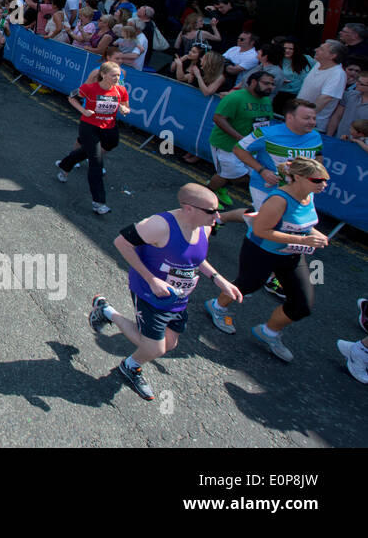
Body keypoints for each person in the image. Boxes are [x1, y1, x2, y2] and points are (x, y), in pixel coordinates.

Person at [90, 183, 240, 401]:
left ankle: (125, 356)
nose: (217, 216)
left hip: (178, 298)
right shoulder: (159, 226)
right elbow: (121, 243)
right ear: (189, 208)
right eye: (211, 211)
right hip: (151, 294)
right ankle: (109, 317)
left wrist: (219, 279)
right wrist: (151, 280)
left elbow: (195, 259)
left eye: (217, 210)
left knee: (170, 343)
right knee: (154, 348)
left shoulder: (204, 227)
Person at [204, 158, 331, 363]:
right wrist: (304, 239)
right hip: (261, 251)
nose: (323, 185)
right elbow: (261, 230)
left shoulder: (309, 196)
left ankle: (269, 333)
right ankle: (217, 306)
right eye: (317, 180)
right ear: (298, 177)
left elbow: (303, 225)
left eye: (325, 180)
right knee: (247, 286)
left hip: (291, 255)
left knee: (302, 305)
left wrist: (316, 235)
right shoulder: (279, 200)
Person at [55, 61, 130, 216]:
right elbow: (71, 97)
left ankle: (65, 164)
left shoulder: (121, 90)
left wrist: (124, 109)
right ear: (103, 75)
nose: (117, 78)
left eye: (118, 75)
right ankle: (99, 202)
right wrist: (83, 110)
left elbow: (126, 107)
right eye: (113, 75)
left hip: (109, 128)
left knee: (111, 144)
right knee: (96, 162)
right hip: (89, 127)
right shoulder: (89, 88)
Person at [206, 69, 275, 208]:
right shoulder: (236, 97)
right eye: (266, 83)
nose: (270, 87)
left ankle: (219, 188)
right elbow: (218, 118)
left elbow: (265, 122)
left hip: (251, 148)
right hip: (227, 145)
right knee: (232, 174)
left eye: (272, 84)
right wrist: (241, 138)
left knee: (244, 174)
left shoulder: (266, 100)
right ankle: (207, 195)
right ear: (254, 82)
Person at [297, 39, 347, 133]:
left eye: (321, 49)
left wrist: (305, 116)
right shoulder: (318, 64)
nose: (316, 50)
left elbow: (325, 98)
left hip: (312, 125)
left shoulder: (338, 74)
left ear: (332, 55)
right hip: (299, 118)